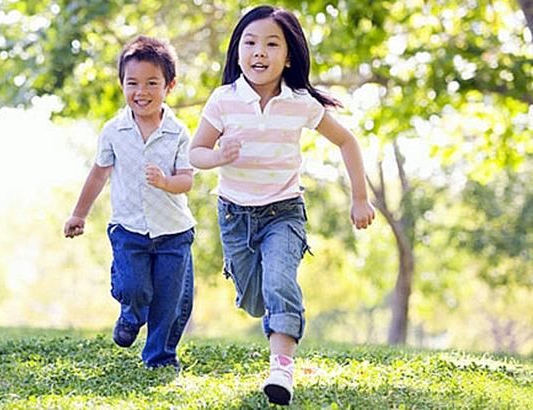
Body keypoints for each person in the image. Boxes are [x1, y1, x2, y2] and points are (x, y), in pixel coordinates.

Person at [189, 5, 375, 405]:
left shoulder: (300, 102)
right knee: (255, 300)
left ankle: (281, 370)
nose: (260, 51)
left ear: (288, 56)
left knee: (279, 283)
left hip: (284, 211)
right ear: (238, 51)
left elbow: (346, 141)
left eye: (272, 44)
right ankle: (265, 306)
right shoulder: (224, 100)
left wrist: (360, 198)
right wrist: (218, 156)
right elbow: (195, 152)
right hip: (235, 214)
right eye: (250, 43)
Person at [64, 35, 196, 371]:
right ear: (122, 84)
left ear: (169, 86)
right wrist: (79, 214)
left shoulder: (179, 133)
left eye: (152, 83)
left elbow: (187, 180)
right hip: (128, 229)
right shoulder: (114, 131)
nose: (141, 91)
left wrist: (166, 182)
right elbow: (98, 175)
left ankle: (159, 358)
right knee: (134, 287)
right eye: (132, 83)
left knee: (168, 301)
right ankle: (131, 313)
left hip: (173, 232)